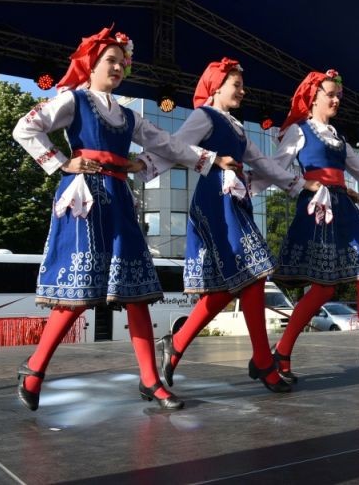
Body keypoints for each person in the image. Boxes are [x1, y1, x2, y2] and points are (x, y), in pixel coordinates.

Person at [12, 26, 219, 410]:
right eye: (111, 60)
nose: (119, 68)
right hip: (84, 197)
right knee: (79, 292)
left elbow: (169, 144)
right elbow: (25, 127)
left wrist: (188, 160)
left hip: (119, 198)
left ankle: (150, 380)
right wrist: (62, 162)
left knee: (135, 289)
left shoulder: (127, 116)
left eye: (123, 63)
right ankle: (35, 367)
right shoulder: (74, 100)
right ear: (91, 65)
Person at [140, 58, 322, 393]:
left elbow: (264, 163)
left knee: (233, 284)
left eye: (241, 85)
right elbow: (177, 146)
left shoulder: (236, 127)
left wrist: (299, 183)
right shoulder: (203, 116)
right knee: (252, 273)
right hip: (214, 201)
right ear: (216, 87)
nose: (242, 91)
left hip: (235, 202)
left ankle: (176, 343)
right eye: (236, 85)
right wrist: (207, 159)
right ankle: (262, 360)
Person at [266, 70, 359, 381]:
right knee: (324, 288)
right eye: (331, 94)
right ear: (313, 98)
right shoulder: (299, 131)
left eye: (339, 95)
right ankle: (282, 350)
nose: (336, 100)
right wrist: (303, 183)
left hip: (344, 209)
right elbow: (275, 168)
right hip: (318, 208)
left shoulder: (338, 138)